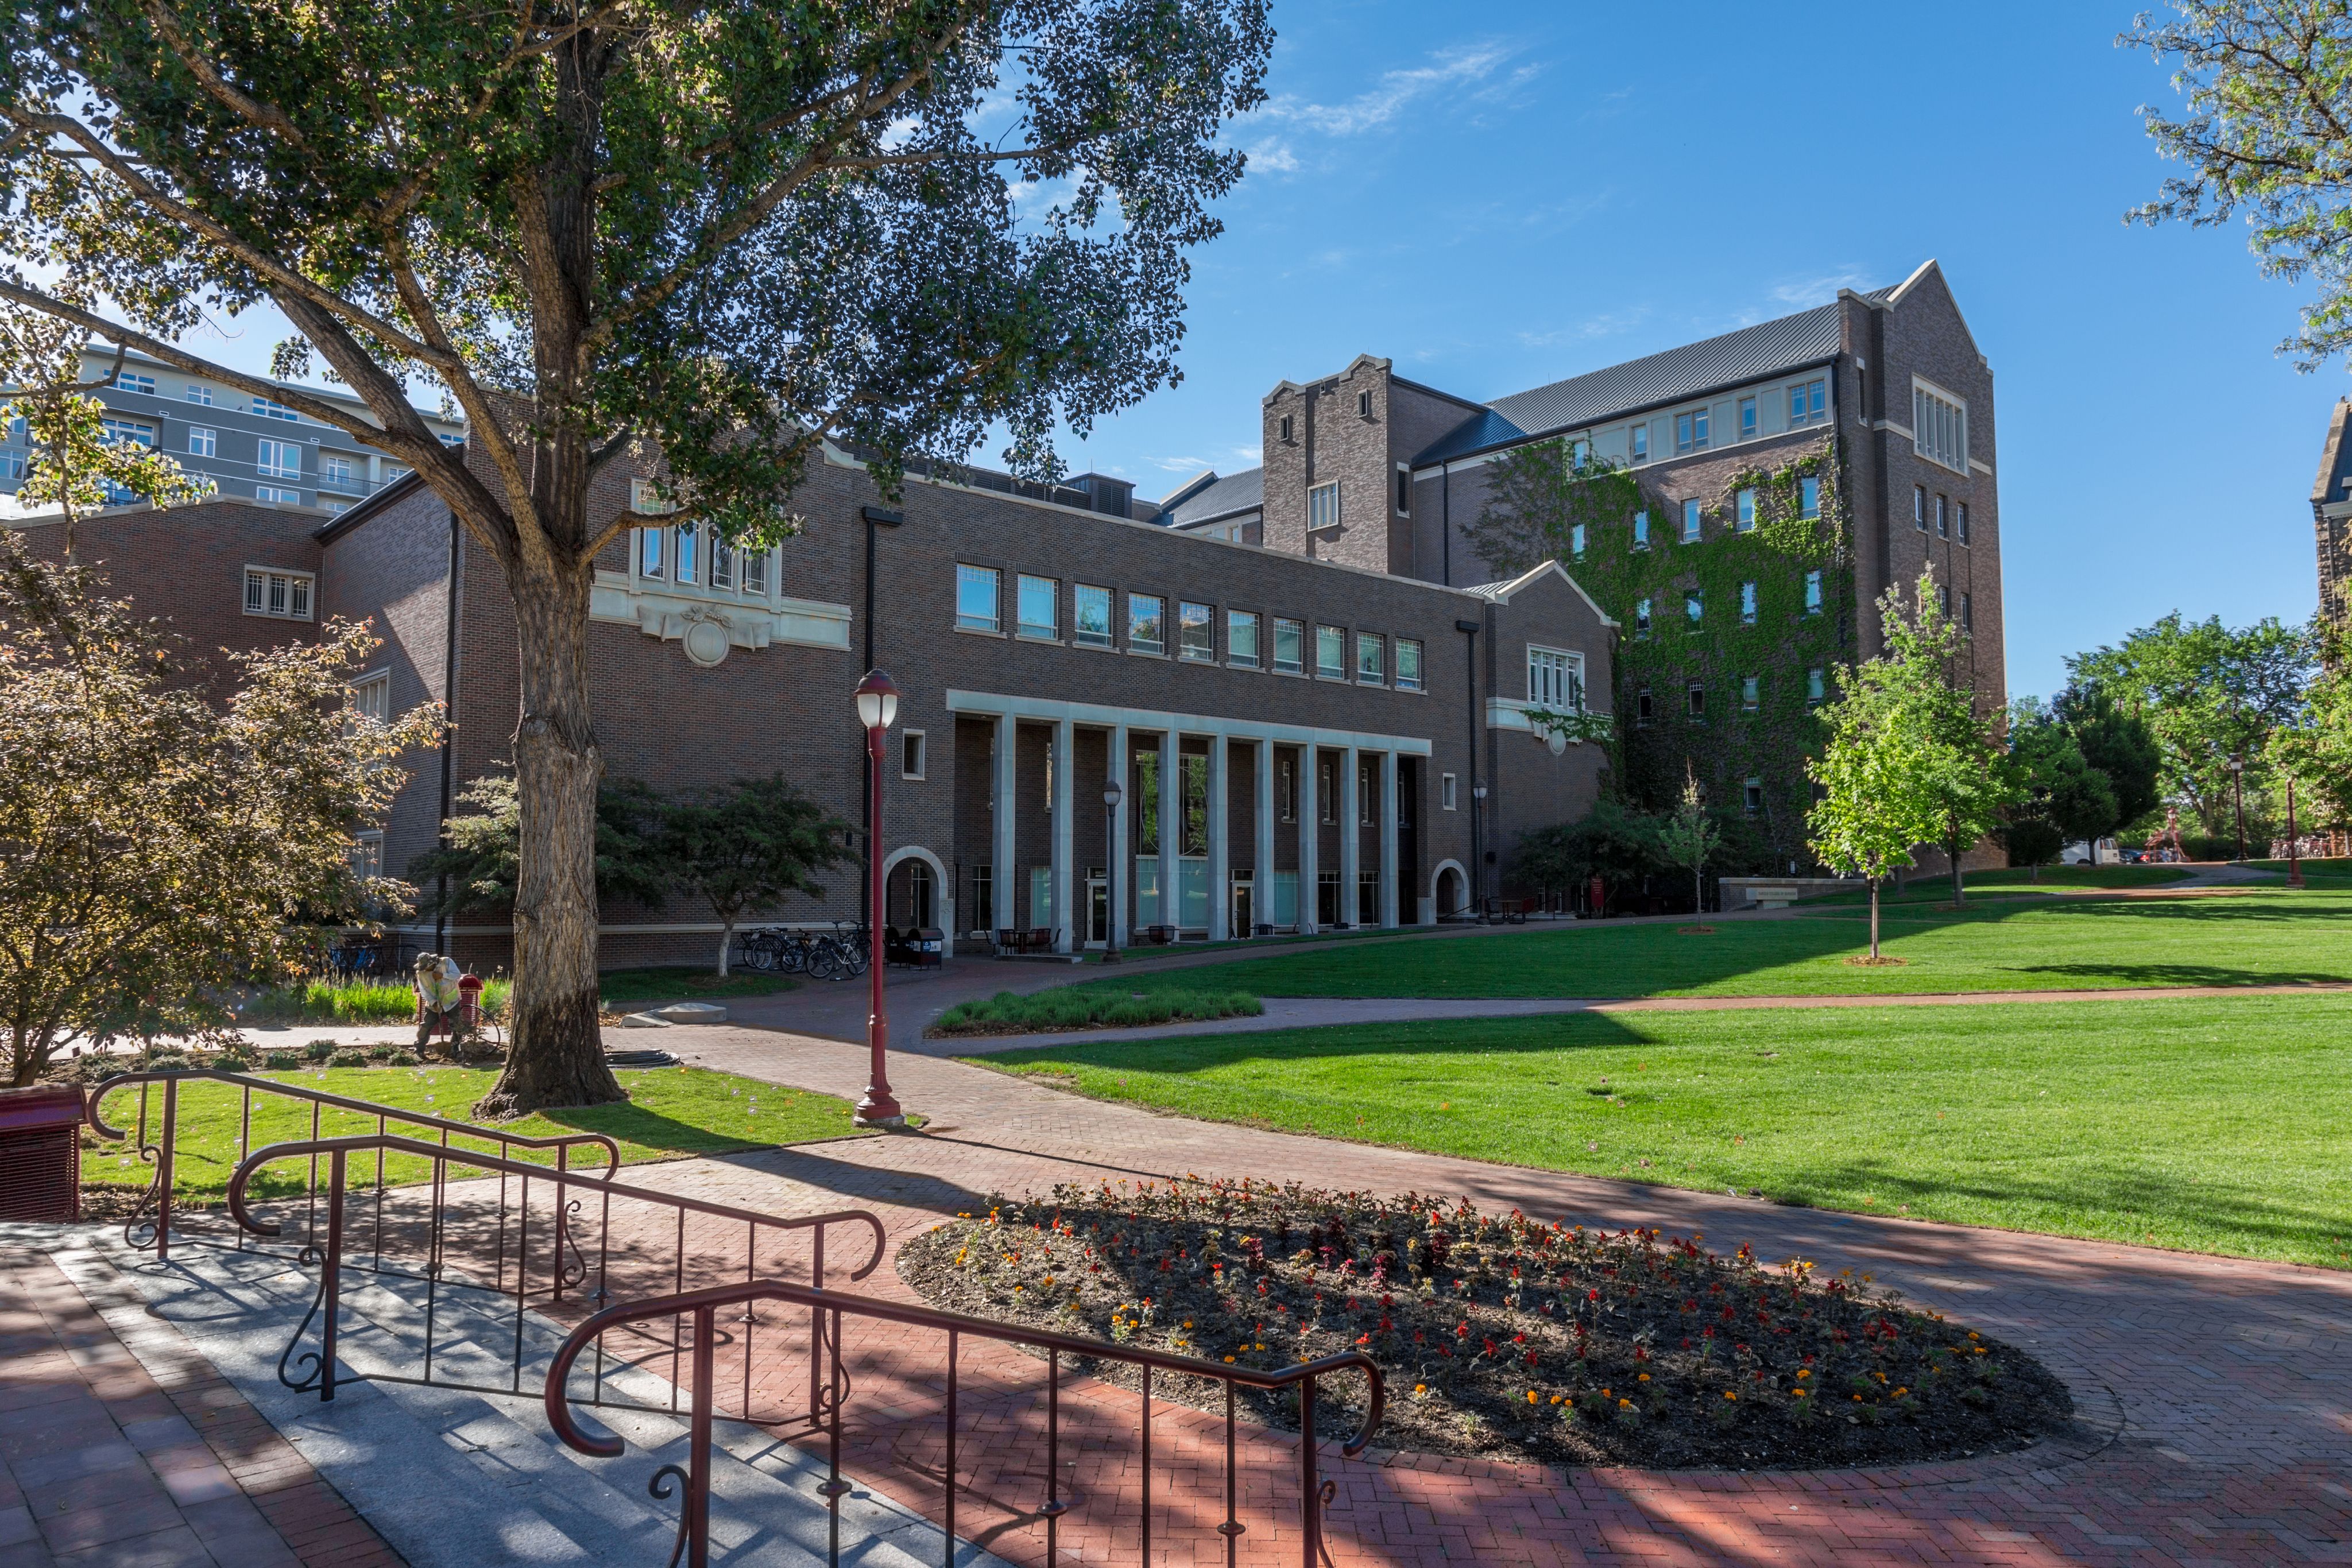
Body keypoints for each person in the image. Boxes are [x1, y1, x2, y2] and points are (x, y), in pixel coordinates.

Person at [412, 953, 466, 1055]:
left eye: (426, 968)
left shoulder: (446, 962)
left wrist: (442, 975)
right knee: (426, 1025)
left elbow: (457, 975)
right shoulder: (421, 973)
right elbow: (424, 991)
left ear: (431, 964)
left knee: (456, 1025)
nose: (424, 970)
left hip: (451, 1001)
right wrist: (434, 1003)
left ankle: (455, 1048)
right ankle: (419, 1049)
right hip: (434, 1004)